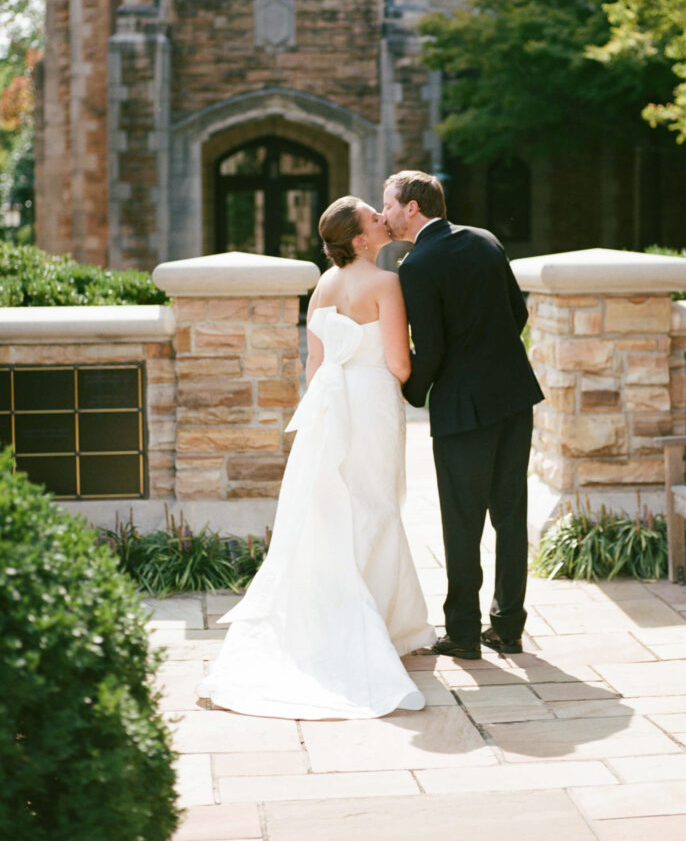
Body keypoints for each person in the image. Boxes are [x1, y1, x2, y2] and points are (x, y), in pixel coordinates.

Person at [197, 196, 435, 719]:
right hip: (371, 401)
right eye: (374, 217)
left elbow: (315, 365)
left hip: (329, 404)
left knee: (331, 509)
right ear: (361, 239)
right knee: (377, 505)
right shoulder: (386, 283)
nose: (383, 218)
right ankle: (375, 623)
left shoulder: (324, 286)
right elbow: (399, 365)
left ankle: (352, 612)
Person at [382, 171, 544, 660]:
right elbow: (518, 313)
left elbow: (429, 349)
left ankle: (464, 633)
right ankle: (509, 628)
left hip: (462, 408)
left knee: (462, 522)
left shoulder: (416, 265)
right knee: (511, 514)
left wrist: (410, 393)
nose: (384, 214)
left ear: (412, 207)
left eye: (388, 205)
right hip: (513, 395)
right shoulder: (486, 240)